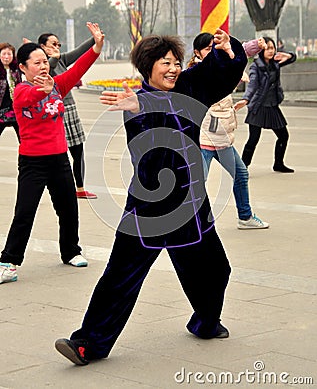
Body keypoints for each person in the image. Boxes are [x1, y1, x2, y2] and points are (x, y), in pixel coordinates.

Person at [54, 29, 247, 366]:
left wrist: (229, 53)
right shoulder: (136, 103)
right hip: (150, 210)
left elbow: (219, 73)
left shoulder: (189, 86)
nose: (172, 69)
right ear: (148, 67)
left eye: (175, 62)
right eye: (164, 63)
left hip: (192, 208)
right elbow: (155, 123)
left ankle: (205, 322)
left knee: (216, 271)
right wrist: (142, 103)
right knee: (119, 278)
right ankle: (87, 344)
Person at [0, 22, 104, 284]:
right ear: (22, 67)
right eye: (36, 63)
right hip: (33, 163)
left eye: (45, 61)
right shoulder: (21, 90)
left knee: (68, 208)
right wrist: (40, 91)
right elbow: (26, 99)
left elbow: (80, 67)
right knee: (25, 212)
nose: (43, 66)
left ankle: (70, 251)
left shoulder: (58, 85)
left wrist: (96, 47)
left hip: (59, 160)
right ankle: (9, 262)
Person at [190, 32, 269, 230]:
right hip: (204, 139)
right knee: (197, 182)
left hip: (222, 138)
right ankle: (189, 222)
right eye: (207, 49)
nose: (212, 52)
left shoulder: (220, 67)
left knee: (241, 174)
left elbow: (237, 55)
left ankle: (245, 216)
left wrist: (254, 46)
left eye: (213, 47)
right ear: (197, 53)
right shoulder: (198, 71)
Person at [37, 31, 97, 199]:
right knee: (59, 154)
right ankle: (62, 188)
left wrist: (95, 38)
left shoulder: (62, 58)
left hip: (70, 109)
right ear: (43, 47)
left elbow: (80, 51)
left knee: (78, 151)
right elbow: (49, 68)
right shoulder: (44, 65)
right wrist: (53, 58)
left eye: (59, 45)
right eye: (53, 44)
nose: (57, 47)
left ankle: (80, 188)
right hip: (56, 111)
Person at [239, 37, 296, 173]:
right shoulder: (256, 66)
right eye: (267, 48)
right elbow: (252, 86)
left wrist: (289, 55)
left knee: (283, 136)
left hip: (272, 105)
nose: (271, 51)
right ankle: (242, 168)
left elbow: (292, 58)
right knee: (253, 140)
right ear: (261, 50)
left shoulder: (275, 64)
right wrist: (246, 99)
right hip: (258, 107)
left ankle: (278, 164)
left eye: (273, 48)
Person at [0, 42, 22, 141]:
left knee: (23, 138)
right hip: (1, 110)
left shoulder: (17, 69)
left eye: (9, 54)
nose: (6, 57)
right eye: (4, 54)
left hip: (15, 110)